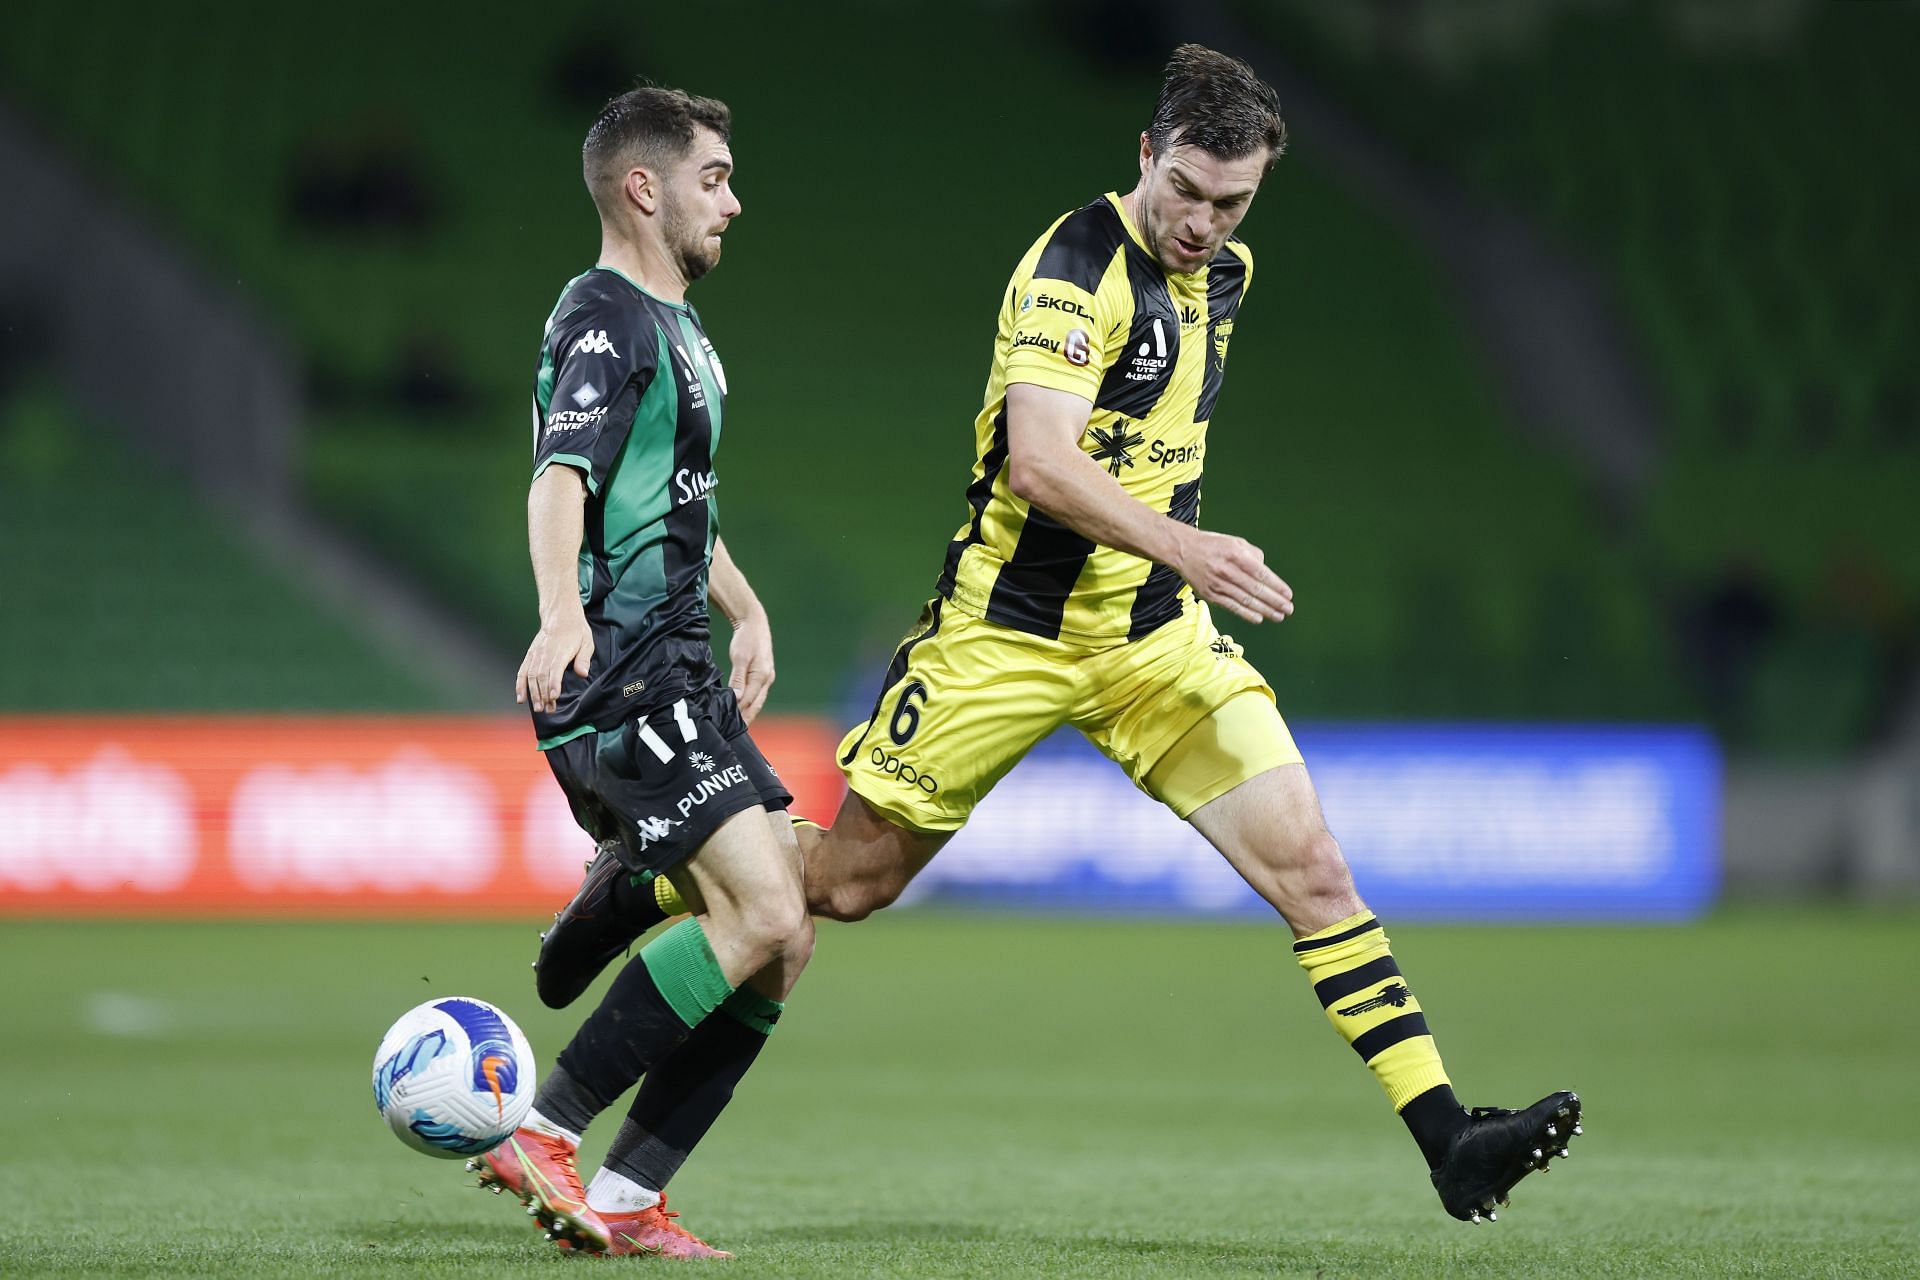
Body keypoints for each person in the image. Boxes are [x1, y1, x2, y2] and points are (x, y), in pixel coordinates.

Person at [539, 46, 1582, 1226]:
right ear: (1146, 154)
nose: (1201, 221)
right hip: (1006, 634)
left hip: (1155, 642)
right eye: (1184, 188)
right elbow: (1037, 461)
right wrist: (1190, 545)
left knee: (1315, 870)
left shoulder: (1226, 272)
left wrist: (1170, 572)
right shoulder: (1073, 269)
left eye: (1229, 202)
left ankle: (1449, 1137)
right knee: (841, 885)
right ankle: (653, 876)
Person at [476, 84, 812, 1260]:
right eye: (713, 176)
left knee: (788, 934)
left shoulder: (677, 329)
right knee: (762, 905)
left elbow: (672, 507)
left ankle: (623, 1194)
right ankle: (543, 1128)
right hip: (623, 676)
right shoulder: (607, 318)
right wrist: (560, 610)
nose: (733, 198)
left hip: (681, 669)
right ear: (644, 187)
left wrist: (751, 608)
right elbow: (561, 475)